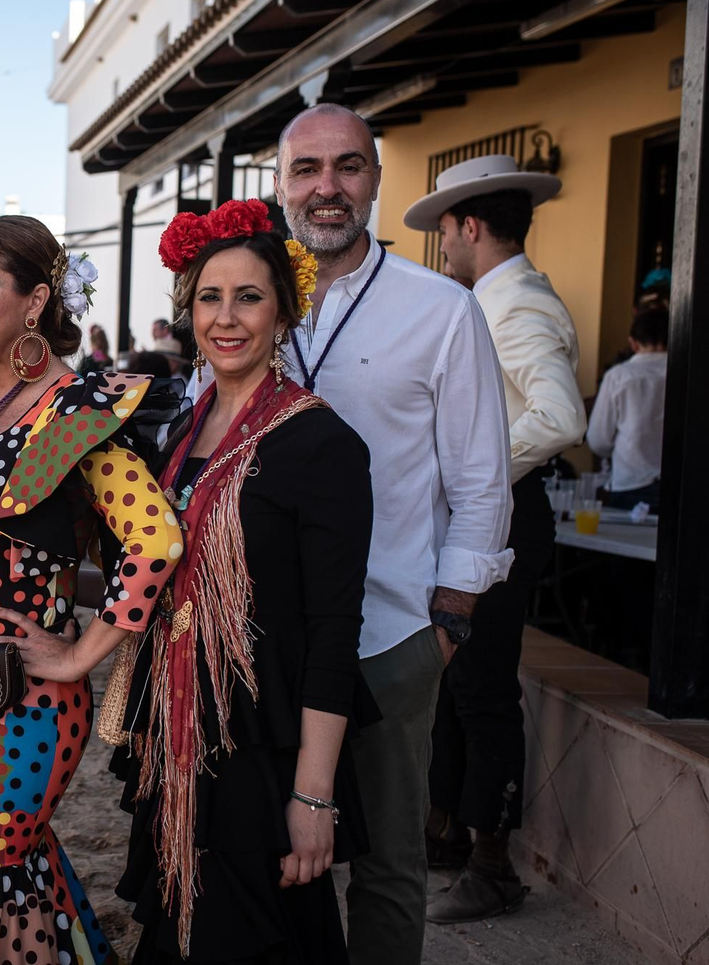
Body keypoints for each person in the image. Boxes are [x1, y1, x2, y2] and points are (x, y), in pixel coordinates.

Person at [0, 191, 181, 965]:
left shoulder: (73, 410)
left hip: (24, 703)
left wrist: (82, 654)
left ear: (36, 301)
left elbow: (155, 540)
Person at [272, 104, 513, 965]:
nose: (326, 187)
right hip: (266, 638)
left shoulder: (442, 310)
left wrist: (446, 624)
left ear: (376, 180)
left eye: (347, 167)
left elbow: (482, 482)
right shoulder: (246, 304)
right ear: (280, 185)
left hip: (391, 636)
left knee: (386, 865)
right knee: (268, 851)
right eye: (306, 170)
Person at [108, 199, 374, 963]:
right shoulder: (178, 433)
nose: (226, 318)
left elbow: (333, 631)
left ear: (284, 313)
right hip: (180, 740)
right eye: (208, 298)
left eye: (249, 297)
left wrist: (312, 796)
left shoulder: (320, 443)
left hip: (264, 748)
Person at [404, 155, 585, 921]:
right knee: (454, 686)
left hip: (505, 516)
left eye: (445, 231)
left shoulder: (518, 306)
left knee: (480, 690)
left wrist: (471, 475)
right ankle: (443, 834)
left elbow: (562, 417)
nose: (443, 246)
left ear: (470, 226)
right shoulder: (490, 299)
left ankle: (492, 863)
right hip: (491, 516)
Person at [588, 304, 669, 511]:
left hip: (631, 481)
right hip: (680, 485)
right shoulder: (688, 373)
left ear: (633, 343)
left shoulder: (619, 376)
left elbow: (598, 440)